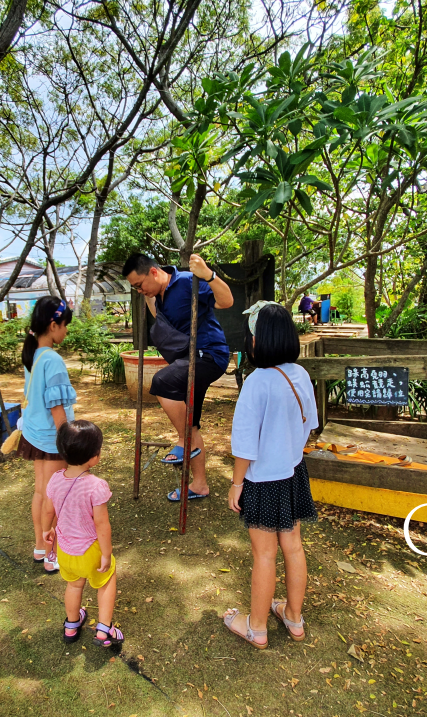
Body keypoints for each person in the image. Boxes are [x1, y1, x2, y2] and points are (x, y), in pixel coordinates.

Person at [224, 302, 319, 649]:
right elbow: (311, 423)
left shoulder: (257, 382)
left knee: (264, 554)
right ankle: (294, 617)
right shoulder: (300, 375)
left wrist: (236, 484)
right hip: (293, 473)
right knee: (293, 547)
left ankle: (257, 627)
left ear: (258, 339)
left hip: (262, 481)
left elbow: (245, 445)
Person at [122, 253, 234, 502]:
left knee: (161, 381)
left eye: (139, 286)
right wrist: (150, 295)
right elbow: (162, 317)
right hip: (188, 359)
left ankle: (185, 442)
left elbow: (226, 301)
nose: (140, 291)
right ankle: (200, 484)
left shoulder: (186, 282)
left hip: (209, 355)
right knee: (191, 423)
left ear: (153, 272)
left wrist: (209, 275)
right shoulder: (157, 295)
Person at [42, 420, 123, 648]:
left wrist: (46, 529)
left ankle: (71, 624)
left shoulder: (55, 479)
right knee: (106, 581)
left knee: (74, 585)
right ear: (94, 456)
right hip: (90, 549)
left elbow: (48, 509)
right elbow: (102, 524)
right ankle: (104, 629)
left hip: (65, 550)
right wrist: (106, 554)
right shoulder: (96, 486)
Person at [18, 295, 76, 574]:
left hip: (34, 435)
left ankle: (41, 546)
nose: (66, 331)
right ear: (53, 325)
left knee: (41, 492)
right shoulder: (52, 359)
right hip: (52, 439)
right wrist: (68, 441)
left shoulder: (34, 354)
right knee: (53, 497)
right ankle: (52, 552)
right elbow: (57, 406)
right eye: (65, 326)